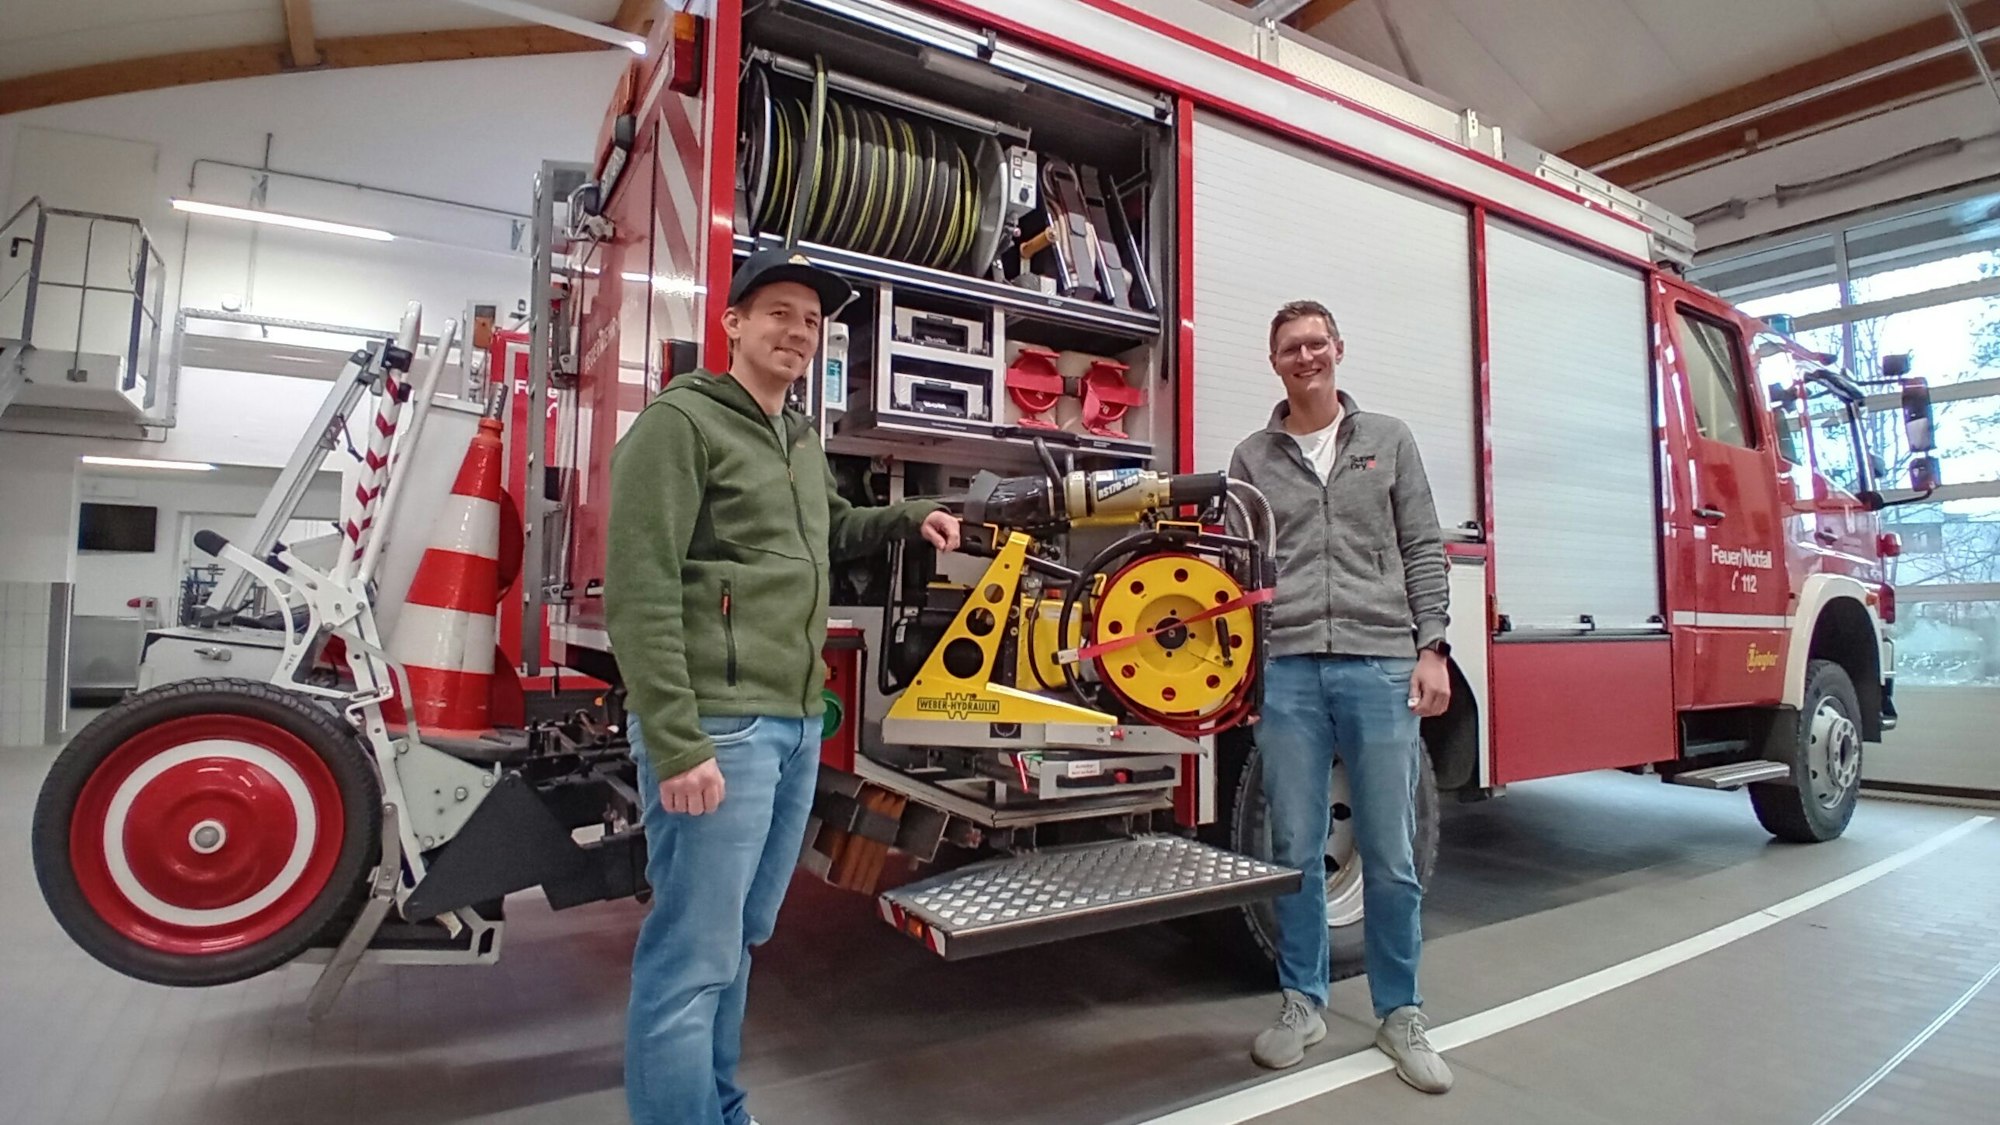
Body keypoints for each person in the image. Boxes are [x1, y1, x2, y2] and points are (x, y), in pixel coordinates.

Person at [606, 247, 960, 1125]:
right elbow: (639, 588)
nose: (798, 332)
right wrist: (677, 740)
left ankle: (721, 1110)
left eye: (811, 320)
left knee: (738, 941)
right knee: (692, 954)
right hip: (720, 726)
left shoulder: (798, 438)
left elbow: (830, 528)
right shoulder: (680, 424)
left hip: (795, 724)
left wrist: (910, 515)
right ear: (732, 323)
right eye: (779, 313)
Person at [1227, 299, 1454, 1093]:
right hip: (1288, 667)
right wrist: (1242, 670)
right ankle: (1303, 1001)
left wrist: (1431, 647)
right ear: (1275, 363)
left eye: (1316, 342)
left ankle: (1402, 1011)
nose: (1306, 356)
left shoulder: (1387, 439)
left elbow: (1422, 545)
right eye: (1291, 347)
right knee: (1294, 846)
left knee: (1390, 849)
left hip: (1380, 662)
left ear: (1338, 349)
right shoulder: (1252, 456)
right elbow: (1239, 568)